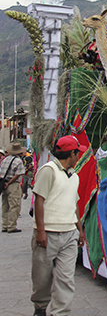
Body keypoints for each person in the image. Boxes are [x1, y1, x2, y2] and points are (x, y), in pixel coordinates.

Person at [31, 135, 86, 316]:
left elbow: (74, 204)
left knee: (66, 278)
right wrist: (41, 231)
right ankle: (40, 307)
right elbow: (39, 200)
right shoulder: (49, 170)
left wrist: (79, 230)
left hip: (69, 233)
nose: (79, 157)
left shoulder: (74, 176)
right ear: (71, 153)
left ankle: (60, 312)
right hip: (48, 233)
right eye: (77, 153)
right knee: (42, 279)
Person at [1, 141, 26, 233]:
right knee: (14, 205)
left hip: (4, 184)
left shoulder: (5, 160)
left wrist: (5, 183)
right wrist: (9, 182)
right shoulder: (18, 161)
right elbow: (18, 174)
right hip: (13, 184)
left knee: (5, 205)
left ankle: (5, 225)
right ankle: (11, 226)